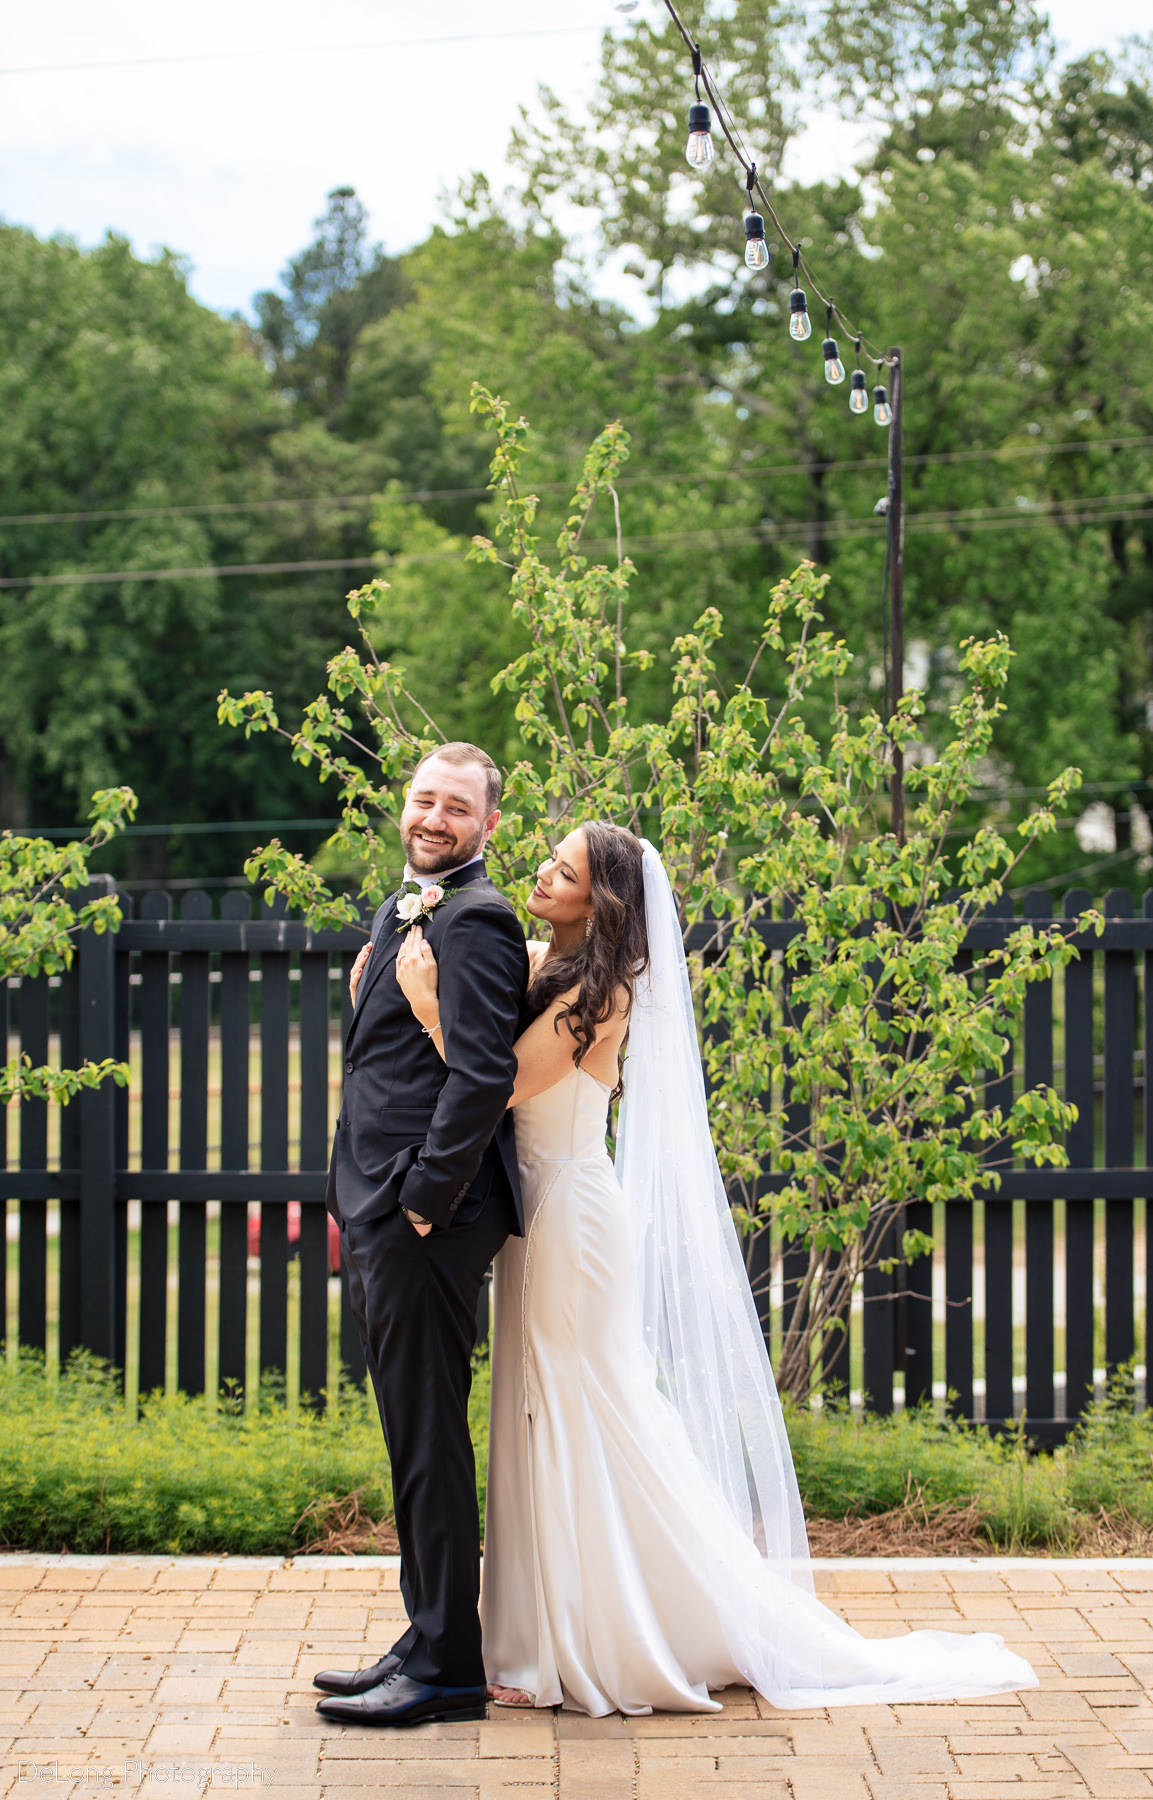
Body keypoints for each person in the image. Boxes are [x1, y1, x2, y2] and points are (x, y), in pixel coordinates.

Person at [394, 820, 1039, 1717]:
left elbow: (496, 1081)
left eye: (563, 870)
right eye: (546, 858)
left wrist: (425, 1011)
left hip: (568, 1221)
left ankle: (610, 1637)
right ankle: (540, 1633)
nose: (541, 873)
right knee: (539, 1412)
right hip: (529, 1215)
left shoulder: (604, 992)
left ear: (601, 898)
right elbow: (469, 960)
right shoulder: (547, 959)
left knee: (582, 1414)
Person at [313, 743, 529, 1729]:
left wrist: (422, 1202)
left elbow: (480, 1074)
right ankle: (424, 1633)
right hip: (383, 1205)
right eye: (422, 800)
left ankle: (446, 1667)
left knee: (430, 1438)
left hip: (425, 1219)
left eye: (456, 808)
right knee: (410, 1436)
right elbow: (389, 1058)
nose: (433, 818)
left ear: (488, 825)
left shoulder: (479, 923)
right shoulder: (404, 909)